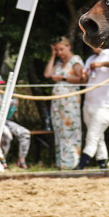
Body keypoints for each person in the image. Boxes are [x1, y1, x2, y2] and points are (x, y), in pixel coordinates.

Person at [75, 46, 109, 170]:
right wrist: (83, 75)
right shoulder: (91, 58)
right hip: (88, 104)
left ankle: (81, 165)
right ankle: (102, 164)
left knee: (92, 136)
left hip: (105, 106)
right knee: (98, 136)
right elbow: (84, 80)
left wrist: (101, 64)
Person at [43, 36, 84, 169]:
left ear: (68, 47)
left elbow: (81, 79)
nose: (60, 52)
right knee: (59, 130)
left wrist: (64, 78)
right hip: (58, 104)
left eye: (61, 49)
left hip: (70, 101)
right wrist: (53, 56)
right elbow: (47, 74)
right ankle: (61, 163)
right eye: (57, 50)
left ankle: (72, 163)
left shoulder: (75, 60)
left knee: (70, 130)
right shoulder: (59, 63)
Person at [0, 72, 31, 169]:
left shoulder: (6, 96)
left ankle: (22, 160)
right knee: (6, 135)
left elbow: (8, 116)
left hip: (6, 121)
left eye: (0, 84)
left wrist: (12, 107)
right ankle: (2, 160)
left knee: (25, 133)